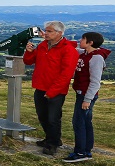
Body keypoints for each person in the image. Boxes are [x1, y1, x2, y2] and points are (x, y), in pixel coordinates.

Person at [23, 21, 78, 156]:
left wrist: (52, 91)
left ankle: (52, 144)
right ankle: (51, 138)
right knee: (42, 116)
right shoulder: (42, 46)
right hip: (40, 87)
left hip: (56, 90)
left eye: (49, 31)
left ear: (59, 33)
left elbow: (66, 75)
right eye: (46, 31)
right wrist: (29, 52)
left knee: (53, 118)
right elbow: (29, 61)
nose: (45, 33)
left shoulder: (68, 50)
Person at [64, 32, 110, 163]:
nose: (80, 40)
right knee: (85, 122)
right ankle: (86, 151)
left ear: (90, 43)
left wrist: (87, 99)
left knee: (78, 122)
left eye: (83, 39)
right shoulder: (85, 53)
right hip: (82, 93)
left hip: (85, 95)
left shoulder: (96, 58)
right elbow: (71, 47)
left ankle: (80, 152)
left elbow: (95, 81)